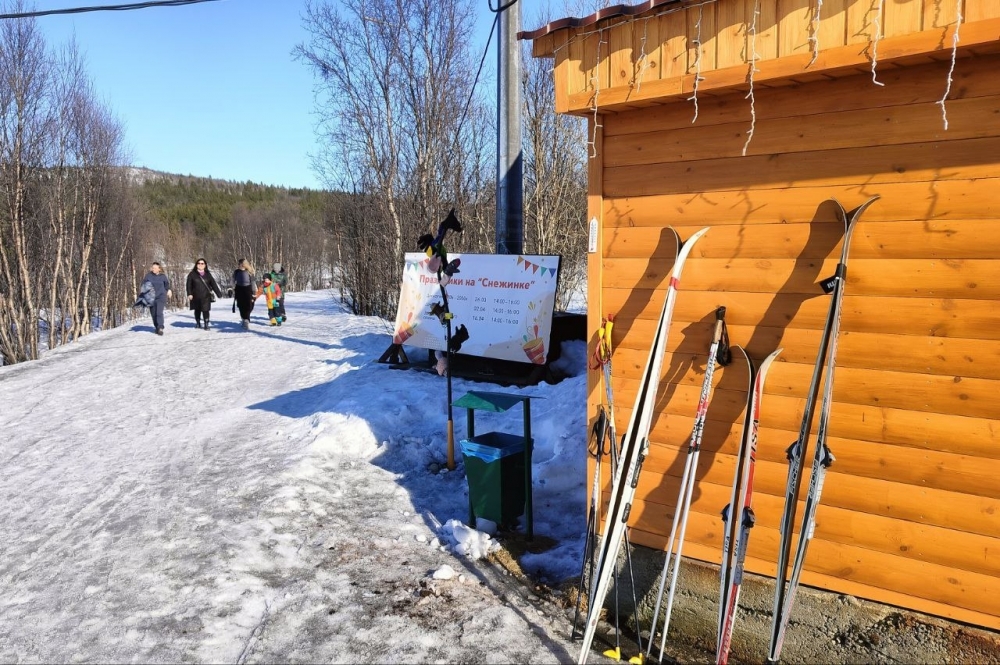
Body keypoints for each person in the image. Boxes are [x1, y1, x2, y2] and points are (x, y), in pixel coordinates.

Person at [185, 258, 224, 330]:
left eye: (202, 263)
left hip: (206, 296)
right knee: (197, 310)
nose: (200, 265)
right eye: (199, 263)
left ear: (205, 265)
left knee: (206, 310)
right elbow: (188, 285)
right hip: (195, 295)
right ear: (196, 265)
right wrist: (189, 294)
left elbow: (213, 285)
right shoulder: (192, 274)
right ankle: (198, 322)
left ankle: (206, 324)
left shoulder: (208, 274)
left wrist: (219, 294)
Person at [142, 262, 172, 335]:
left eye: (155, 268)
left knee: (159, 312)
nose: (154, 269)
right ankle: (157, 327)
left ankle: (160, 327)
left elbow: (167, 285)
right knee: (153, 313)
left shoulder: (163, 276)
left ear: (159, 269)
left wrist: (169, 290)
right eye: (153, 268)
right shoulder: (148, 276)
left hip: (161, 296)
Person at [232, 258, 256, 330]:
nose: (240, 265)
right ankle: (245, 320)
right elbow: (232, 281)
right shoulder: (236, 272)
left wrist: (254, 291)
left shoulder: (249, 271)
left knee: (249, 305)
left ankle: (246, 318)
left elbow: (253, 282)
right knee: (241, 305)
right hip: (239, 289)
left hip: (248, 289)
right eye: (239, 264)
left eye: (241, 264)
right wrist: (233, 288)